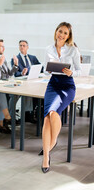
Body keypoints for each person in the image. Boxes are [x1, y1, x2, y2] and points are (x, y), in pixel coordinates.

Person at [41, 22, 81, 173]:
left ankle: (51, 143)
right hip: (53, 84)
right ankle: (47, 155)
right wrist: (48, 71)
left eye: (65, 33)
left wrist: (72, 73)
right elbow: (46, 70)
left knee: (53, 113)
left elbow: (79, 70)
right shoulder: (48, 49)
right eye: (60, 31)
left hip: (67, 85)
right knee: (47, 117)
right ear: (56, 31)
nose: (62, 35)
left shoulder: (73, 50)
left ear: (69, 36)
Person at [11, 40, 42, 123]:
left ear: (27, 47)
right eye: (20, 45)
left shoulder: (33, 58)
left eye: (24, 45)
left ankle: (31, 114)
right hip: (22, 83)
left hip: (33, 81)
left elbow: (40, 67)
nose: (22, 47)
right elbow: (15, 74)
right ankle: (21, 115)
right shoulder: (15, 59)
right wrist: (22, 73)